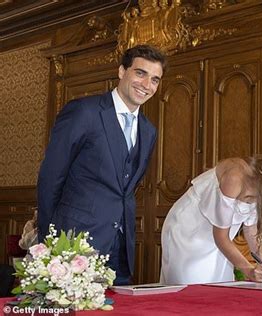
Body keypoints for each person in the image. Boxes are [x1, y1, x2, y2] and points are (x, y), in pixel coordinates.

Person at [37, 45, 166, 285]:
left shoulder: (149, 131)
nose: (147, 84)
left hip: (121, 248)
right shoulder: (84, 112)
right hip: (74, 241)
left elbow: (127, 187)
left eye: (155, 79)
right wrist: (48, 239)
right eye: (140, 73)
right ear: (121, 71)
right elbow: (50, 177)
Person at [160, 125, 262, 285]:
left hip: (220, 238)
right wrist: (248, 270)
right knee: (190, 287)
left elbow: (250, 227)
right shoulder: (236, 177)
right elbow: (220, 236)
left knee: (219, 288)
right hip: (189, 230)